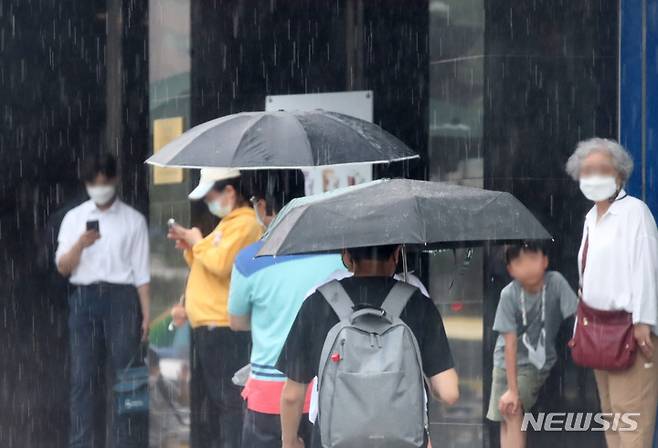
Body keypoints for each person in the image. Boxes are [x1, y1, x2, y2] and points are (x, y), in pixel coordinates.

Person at [277, 244, 459, 448]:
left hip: (333, 440)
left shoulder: (318, 303)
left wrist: (290, 440)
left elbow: (293, 395)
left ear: (346, 255)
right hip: (403, 440)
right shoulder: (418, 303)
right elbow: (448, 392)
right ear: (397, 254)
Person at [227, 170, 345, 447]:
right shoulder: (338, 254)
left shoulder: (248, 260)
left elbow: (236, 321)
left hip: (268, 399)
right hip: (324, 393)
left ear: (264, 205)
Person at [566, 137, 658, 447]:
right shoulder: (591, 218)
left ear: (619, 175)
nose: (593, 176)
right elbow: (587, 279)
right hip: (598, 331)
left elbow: (647, 268)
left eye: (602, 169)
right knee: (611, 417)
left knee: (631, 418)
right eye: (587, 170)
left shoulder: (635, 212)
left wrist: (645, 320)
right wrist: (580, 328)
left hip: (630, 332)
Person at [55, 153, 150, 448]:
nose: (100, 188)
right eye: (93, 183)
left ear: (115, 181)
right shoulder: (74, 218)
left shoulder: (133, 219)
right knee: (82, 378)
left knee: (127, 378)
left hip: (122, 298)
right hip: (84, 299)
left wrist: (147, 314)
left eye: (104, 182)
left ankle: (126, 442)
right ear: (86, 184)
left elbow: (142, 272)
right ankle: (81, 442)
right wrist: (79, 245)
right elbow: (62, 267)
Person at [168, 168, 262, 448]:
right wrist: (192, 248)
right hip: (209, 328)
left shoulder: (245, 224)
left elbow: (222, 265)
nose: (209, 203)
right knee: (215, 405)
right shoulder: (228, 224)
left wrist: (197, 242)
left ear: (230, 192)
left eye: (211, 196)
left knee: (230, 404)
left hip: (223, 327)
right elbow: (208, 268)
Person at [486, 241, 577, 448]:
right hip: (504, 363)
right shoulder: (508, 295)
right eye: (519, 261)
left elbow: (577, 313)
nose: (527, 266)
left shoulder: (555, 282)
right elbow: (509, 344)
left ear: (545, 260)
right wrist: (511, 389)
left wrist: (578, 337)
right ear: (510, 269)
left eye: (532, 258)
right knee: (506, 414)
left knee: (514, 412)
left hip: (534, 364)